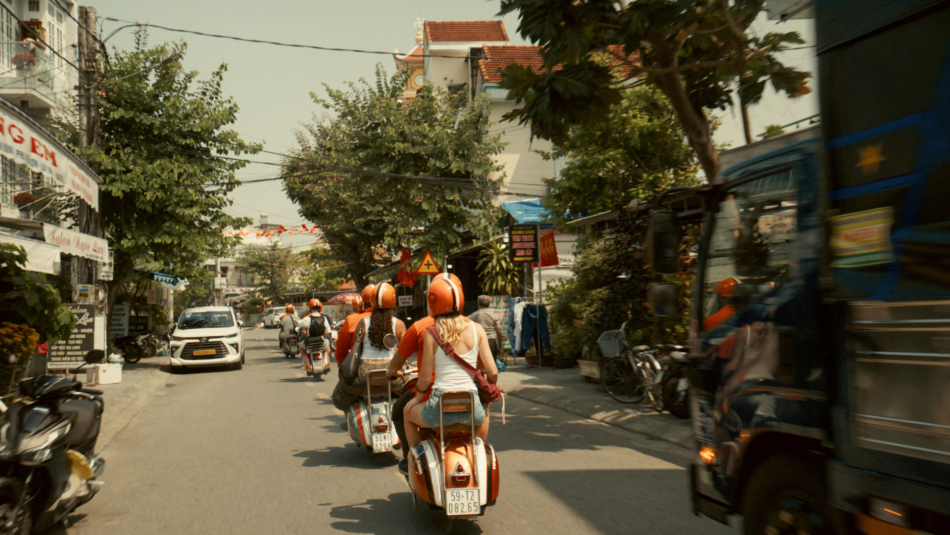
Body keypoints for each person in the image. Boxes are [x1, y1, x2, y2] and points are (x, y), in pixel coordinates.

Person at [402, 278, 498, 465]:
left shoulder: (431, 332)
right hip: (472, 409)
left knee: (407, 413)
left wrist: (416, 400)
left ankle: (417, 462)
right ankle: (478, 451)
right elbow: (493, 373)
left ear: (432, 303)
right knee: (485, 406)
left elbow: (425, 378)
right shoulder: (477, 329)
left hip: (438, 409)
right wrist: (487, 389)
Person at [387, 273, 465, 474]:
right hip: (466, 395)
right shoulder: (472, 327)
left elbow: (402, 363)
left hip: (432, 394)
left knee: (400, 411)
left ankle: (413, 458)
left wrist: (392, 372)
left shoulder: (422, 327)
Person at [334, 285, 375, 365]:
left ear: (363, 303)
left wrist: (341, 362)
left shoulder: (351, 319)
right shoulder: (394, 321)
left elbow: (342, 348)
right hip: (389, 366)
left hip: (360, 364)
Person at [297, 298, 330, 371]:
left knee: (300, 346)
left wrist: (294, 319)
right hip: (321, 342)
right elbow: (327, 332)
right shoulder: (324, 318)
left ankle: (305, 363)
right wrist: (323, 337)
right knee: (327, 344)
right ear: (319, 308)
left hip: (309, 343)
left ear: (310, 307)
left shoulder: (307, 319)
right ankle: (326, 362)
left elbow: (299, 324)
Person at [467, 295, 503, 360]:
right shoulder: (493, 315)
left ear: (478, 304)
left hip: (479, 342)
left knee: (480, 363)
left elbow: (469, 331)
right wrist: (500, 347)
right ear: (489, 304)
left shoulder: (474, 315)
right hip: (491, 342)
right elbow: (498, 332)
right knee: (492, 362)